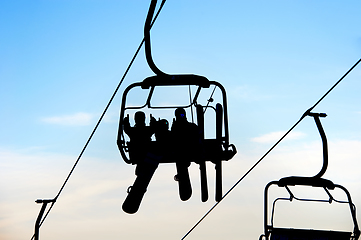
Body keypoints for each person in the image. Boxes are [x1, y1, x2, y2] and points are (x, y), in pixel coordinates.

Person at [122, 111, 158, 214]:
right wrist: (153, 123)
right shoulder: (147, 130)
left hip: (137, 156)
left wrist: (126, 123)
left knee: (141, 170)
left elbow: (127, 129)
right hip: (146, 156)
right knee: (143, 169)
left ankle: (140, 172)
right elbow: (153, 128)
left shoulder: (132, 131)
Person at [171, 108, 200, 201]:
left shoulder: (191, 126)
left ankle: (182, 174)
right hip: (180, 153)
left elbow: (198, 136)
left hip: (189, 151)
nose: (181, 117)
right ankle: (182, 175)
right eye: (179, 115)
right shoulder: (176, 128)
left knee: (181, 164)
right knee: (181, 164)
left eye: (182, 115)